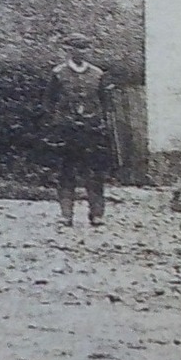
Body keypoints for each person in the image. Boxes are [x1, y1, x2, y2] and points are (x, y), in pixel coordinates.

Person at [45, 34, 115, 227]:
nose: (80, 52)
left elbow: (105, 102)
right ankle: (66, 214)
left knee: (94, 173)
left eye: (84, 48)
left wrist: (100, 123)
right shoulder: (58, 73)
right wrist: (59, 121)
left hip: (92, 130)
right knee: (67, 171)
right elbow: (49, 102)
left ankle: (97, 214)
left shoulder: (98, 74)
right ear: (68, 50)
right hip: (68, 130)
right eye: (76, 48)